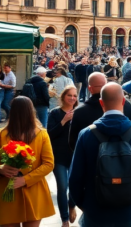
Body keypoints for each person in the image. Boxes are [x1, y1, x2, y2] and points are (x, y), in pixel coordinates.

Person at [69, 83, 131, 227]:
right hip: (128, 210)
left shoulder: (86, 134)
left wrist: (84, 204)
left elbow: (74, 177)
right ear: (124, 101)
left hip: (95, 210)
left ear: (101, 102)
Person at [0, 96, 55, 227]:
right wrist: (0, 169)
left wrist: (25, 179)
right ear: (31, 111)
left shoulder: (41, 134)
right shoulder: (0, 134)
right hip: (11, 194)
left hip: (32, 191)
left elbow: (49, 164)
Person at [68, 72, 131, 152]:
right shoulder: (125, 104)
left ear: (90, 88)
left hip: (93, 160)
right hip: (127, 158)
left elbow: (73, 143)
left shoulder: (80, 112)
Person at [47, 85, 78, 227]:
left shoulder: (79, 113)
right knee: (62, 186)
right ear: (63, 97)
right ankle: (64, 220)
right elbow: (50, 135)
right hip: (58, 156)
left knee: (74, 186)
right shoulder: (54, 113)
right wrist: (64, 121)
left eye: (75, 95)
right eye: (69, 95)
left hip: (75, 155)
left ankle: (71, 204)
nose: (72, 98)